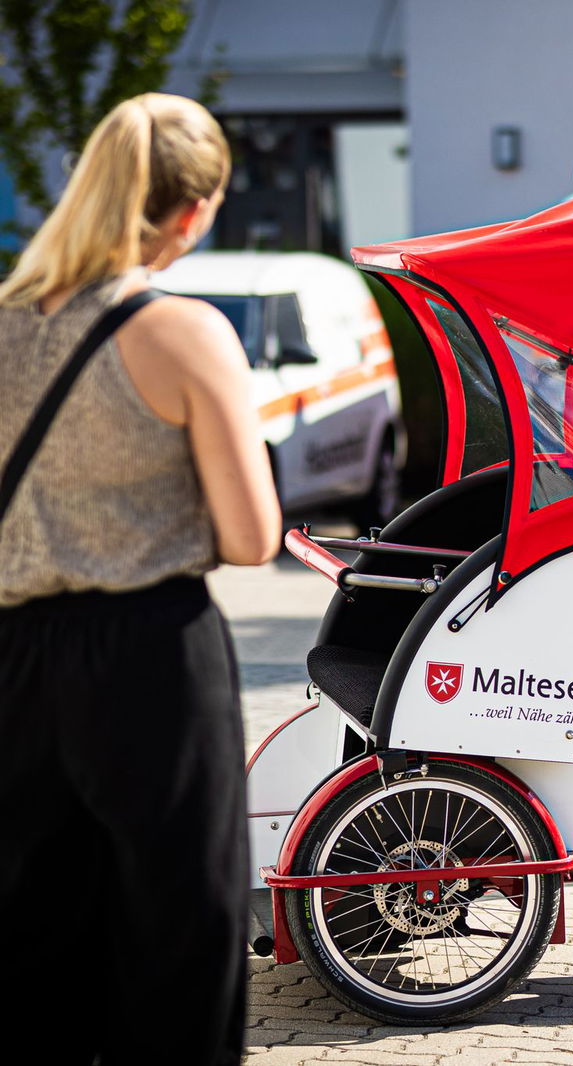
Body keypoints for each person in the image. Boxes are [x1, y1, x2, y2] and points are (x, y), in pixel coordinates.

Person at [0, 94, 281, 1064]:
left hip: (15, 659)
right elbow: (252, 537)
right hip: (148, 656)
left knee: (31, 935)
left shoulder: (0, 323)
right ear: (194, 212)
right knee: (177, 938)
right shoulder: (181, 331)